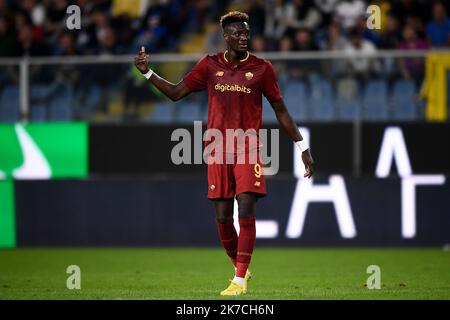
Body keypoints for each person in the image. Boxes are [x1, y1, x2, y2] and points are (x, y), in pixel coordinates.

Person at [134, 11, 314, 296]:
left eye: (247, 32)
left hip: (248, 147)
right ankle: (239, 267)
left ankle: (239, 281)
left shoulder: (262, 68)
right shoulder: (209, 65)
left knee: (245, 208)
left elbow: (281, 110)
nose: (245, 37)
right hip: (217, 149)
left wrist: (302, 147)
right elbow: (176, 92)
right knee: (221, 217)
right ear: (226, 36)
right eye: (239, 33)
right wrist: (147, 72)